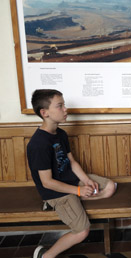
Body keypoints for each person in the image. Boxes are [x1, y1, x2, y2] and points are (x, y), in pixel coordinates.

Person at [27, 89, 117, 258]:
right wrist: (78, 191)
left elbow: (72, 162)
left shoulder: (60, 134)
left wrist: (85, 181)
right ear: (44, 112)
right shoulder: (38, 144)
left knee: (110, 187)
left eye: (64, 105)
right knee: (82, 231)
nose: (65, 109)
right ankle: (45, 255)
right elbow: (47, 182)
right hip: (55, 192)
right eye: (60, 106)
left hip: (72, 181)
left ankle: (73, 200)